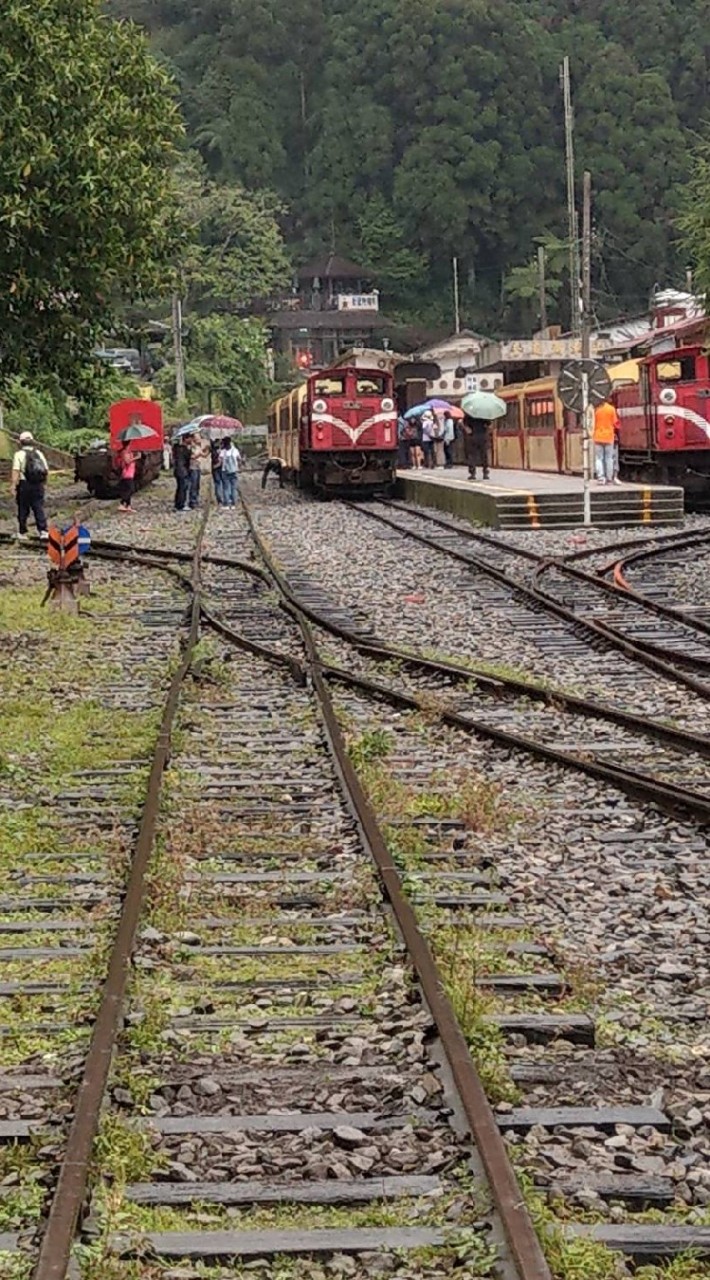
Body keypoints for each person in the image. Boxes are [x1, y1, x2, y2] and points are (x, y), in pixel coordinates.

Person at [11, 431, 49, 542]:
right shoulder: (39, 454)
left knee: (23, 508)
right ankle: (43, 531)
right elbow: (46, 470)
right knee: (38, 507)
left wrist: (13, 485)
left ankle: (23, 532)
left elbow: (16, 471)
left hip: (24, 484)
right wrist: (44, 483)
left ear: (21, 442)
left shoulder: (18, 454)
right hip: (38, 485)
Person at [593, 398, 619, 485]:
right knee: (609, 458)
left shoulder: (596, 410)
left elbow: (592, 422)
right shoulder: (611, 409)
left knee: (599, 458)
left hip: (598, 436)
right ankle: (609, 478)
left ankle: (600, 477)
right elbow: (615, 423)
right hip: (609, 437)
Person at [461, 414, 490, 480]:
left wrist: (467, 429)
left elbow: (464, 424)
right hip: (482, 436)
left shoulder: (469, 414)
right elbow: (488, 424)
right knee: (484, 455)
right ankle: (485, 472)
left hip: (472, 436)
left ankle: (472, 473)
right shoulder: (484, 414)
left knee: (472, 455)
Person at [220, 436, 242, 506]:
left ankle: (227, 502)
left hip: (225, 471)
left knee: (226, 487)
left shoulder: (222, 451)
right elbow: (239, 459)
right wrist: (238, 466)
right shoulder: (235, 450)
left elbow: (220, 461)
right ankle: (234, 502)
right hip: (234, 470)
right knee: (233, 487)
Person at [116, 442, 136, 513]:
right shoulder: (124, 452)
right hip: (127, 474)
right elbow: (127, 461)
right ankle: (121, 503)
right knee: (131, 489)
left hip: (130, 473)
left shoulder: (128, 452)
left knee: (128, 489)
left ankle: (128, 506)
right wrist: (136, 458)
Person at [173, 436, 191, 511]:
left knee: (179, 488)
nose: (191, 440)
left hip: (177, 470)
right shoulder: (185, 449)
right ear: (186, 439)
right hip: (183, 470)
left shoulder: (176, 448)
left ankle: (177, 504)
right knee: (183, 488)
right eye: (190, 438)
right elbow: (188, 459)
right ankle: (181, 505)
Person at [188, 433, 204, 509]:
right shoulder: (191, 447)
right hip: (192, 467)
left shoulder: (198, 446)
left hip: (198, 467)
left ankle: (196, 500)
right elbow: (191, 457)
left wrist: (208, 450)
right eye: (197, 438)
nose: (199, 439)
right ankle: (192, 502)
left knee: (197, 485)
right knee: (193, 485)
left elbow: (203, 455)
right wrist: (199, 455)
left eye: (199, 437)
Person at [210, 439, 224, 505]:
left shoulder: (212, 450)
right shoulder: (222, 450)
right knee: (222, 482)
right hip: (221, 467)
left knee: (217, 483)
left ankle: (219, 499)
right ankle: (223, 498)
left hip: (215, 467)